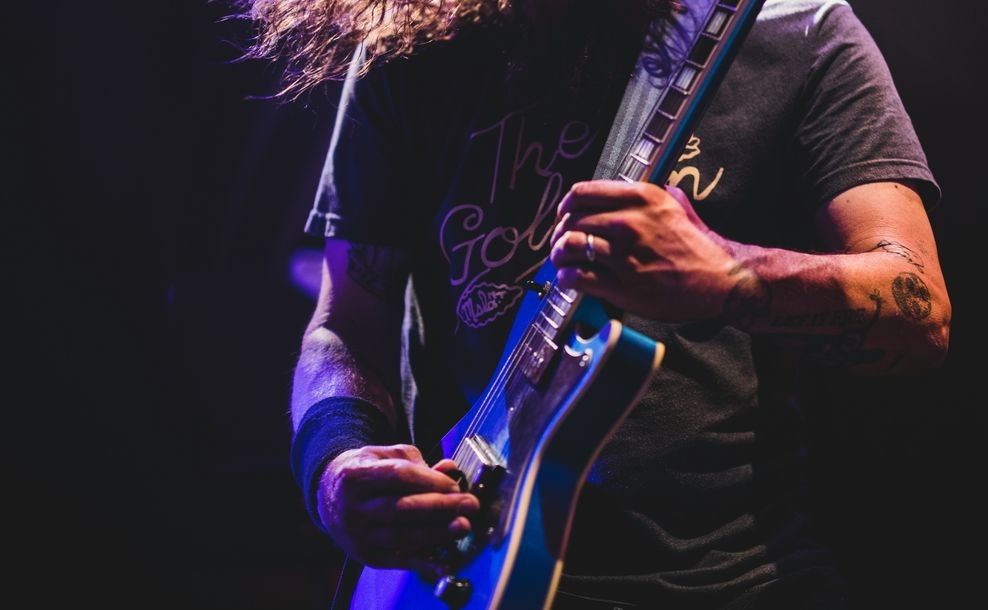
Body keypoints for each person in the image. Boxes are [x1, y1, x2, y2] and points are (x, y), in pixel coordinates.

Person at [251, 0, 951, 607]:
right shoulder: (411, 44)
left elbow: (918, 309)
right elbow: (346, 324)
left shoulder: (801, 31)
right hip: (456, 573)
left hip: (730, 581)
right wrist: (336, 464)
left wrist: (732, 276)